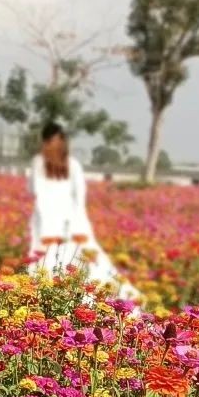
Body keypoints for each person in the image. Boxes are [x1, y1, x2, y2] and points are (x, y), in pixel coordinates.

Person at [26, 123, 140, 304]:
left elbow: (33, 190)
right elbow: (79, 197)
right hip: (64, 217)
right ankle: (70, 297)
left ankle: (55, 298)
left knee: (53, 261)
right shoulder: (70, 164)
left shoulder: (42, 163)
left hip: (50, 218)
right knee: (71, 259)